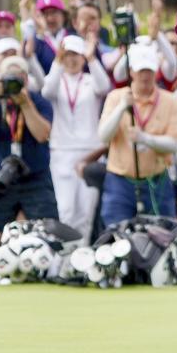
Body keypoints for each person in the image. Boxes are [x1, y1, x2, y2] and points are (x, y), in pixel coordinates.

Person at [0, 56, 56, 251]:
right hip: (2, 178)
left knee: (46, 233)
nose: (12, 84)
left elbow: (42, 134)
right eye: (8, 79)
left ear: (26, 79)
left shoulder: (38, 101)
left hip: (35, 176)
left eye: (17, 79)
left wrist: (26, 104)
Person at [98, 44, 177, 226]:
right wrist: (122, 107)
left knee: (162, 235)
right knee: (116, 235)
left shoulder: (170, 100)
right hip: (120, 182)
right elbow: (103, 136)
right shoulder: (115, 97)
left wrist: (147, 139)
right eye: (140, 70)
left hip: (156, 180)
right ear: (131, 72)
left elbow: (174, 144)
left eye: (149, 70)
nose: (145, 75)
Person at [41, 34, 110, 243]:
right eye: (68, 54)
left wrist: (91, 58)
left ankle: (81, 259)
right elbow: (46, 91)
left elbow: (104, 86)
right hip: (62, 151)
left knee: (86, 211)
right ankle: (65, 261)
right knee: (66, 210)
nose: (72, 59)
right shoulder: (57, 81)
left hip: (90, 151)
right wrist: (56, 61)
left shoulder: (90, 81)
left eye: (76, 55)